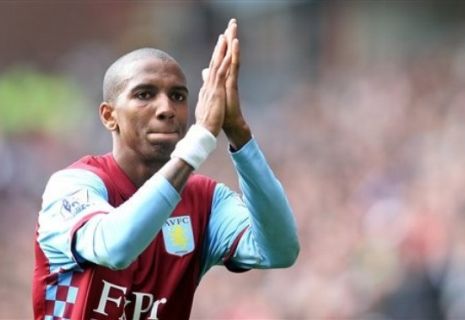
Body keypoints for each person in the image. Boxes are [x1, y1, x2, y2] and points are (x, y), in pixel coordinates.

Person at [32, 19, 299, 320]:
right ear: (109, 116)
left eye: (178, 96)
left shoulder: (205, 201)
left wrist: (238, 131)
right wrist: (200, 139)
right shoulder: (72, 186)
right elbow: (116, 248)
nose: (166, 109)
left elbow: (279, 251)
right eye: (144, 94)